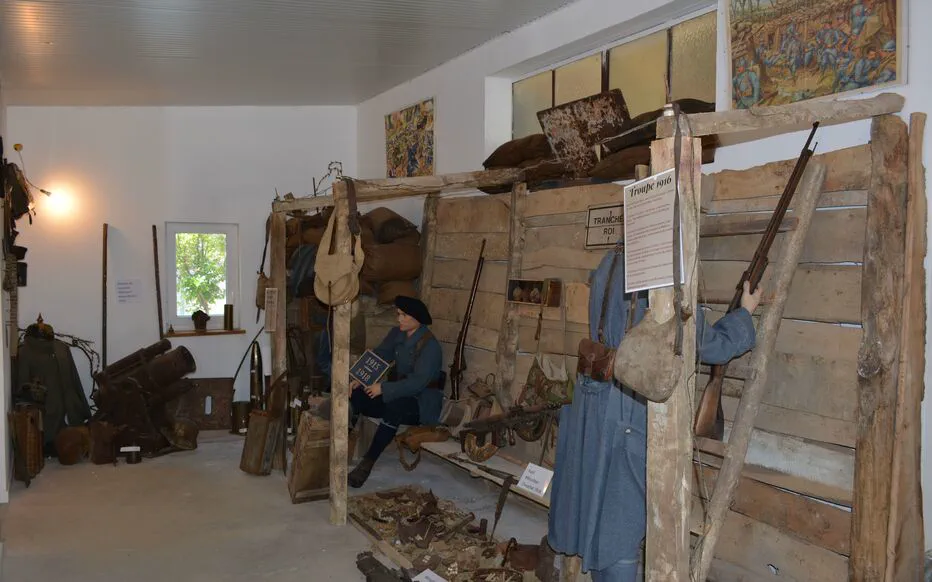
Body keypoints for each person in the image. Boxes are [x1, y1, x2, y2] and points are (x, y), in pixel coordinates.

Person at [548, 250, 763, 582]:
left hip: (596, 402)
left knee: (600, 520)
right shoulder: (658, 262)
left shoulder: (610, 260)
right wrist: (744, 315)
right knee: (621, 528)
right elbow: (705, 344)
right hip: (629, 410)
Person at [347, 295, 444, 488]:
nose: (399, 319)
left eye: (404, 315)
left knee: (395, 408)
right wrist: (360, 377)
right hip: (397, 393)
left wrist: (382, 388)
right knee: (358, 395)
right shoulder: (397, 333)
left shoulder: (430, 346)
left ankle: (367, 463)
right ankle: (341, 445)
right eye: (398, 314)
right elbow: (380, 355)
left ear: (417, 319)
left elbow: (417, 383)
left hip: (421, 403)